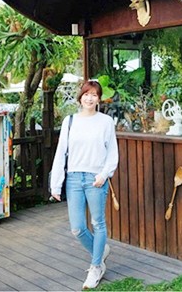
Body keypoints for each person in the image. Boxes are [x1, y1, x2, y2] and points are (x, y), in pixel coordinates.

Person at [50, 80, 119, 290]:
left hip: (95, 179)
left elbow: (112, 153)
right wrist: (55, 184)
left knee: (98, 224)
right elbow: (61, 152)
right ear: (80, 97)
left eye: (94, 95)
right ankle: (100, 250)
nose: (90, 98)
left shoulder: (106, 122)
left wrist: (104, 174)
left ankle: (96, 266)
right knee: (77, 228)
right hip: (73, 179)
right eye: (86, 94)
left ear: (99, 99)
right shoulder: (70, 121)